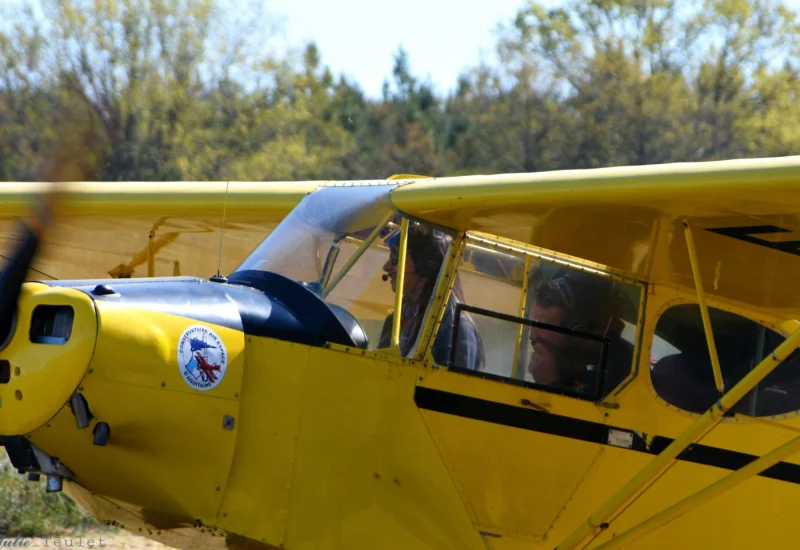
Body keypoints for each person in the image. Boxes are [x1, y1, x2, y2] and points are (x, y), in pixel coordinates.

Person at [377, 221, 484, 370]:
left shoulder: (455, 328)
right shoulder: (395, 321)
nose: (386, 267)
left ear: (426, 263)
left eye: (396, 257)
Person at [526, 269, 633, 396]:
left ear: (577, 331)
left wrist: (550, 384)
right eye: (532, 323)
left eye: (543, 327)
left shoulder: (624, 371)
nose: (532, 336)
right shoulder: (573, 362)